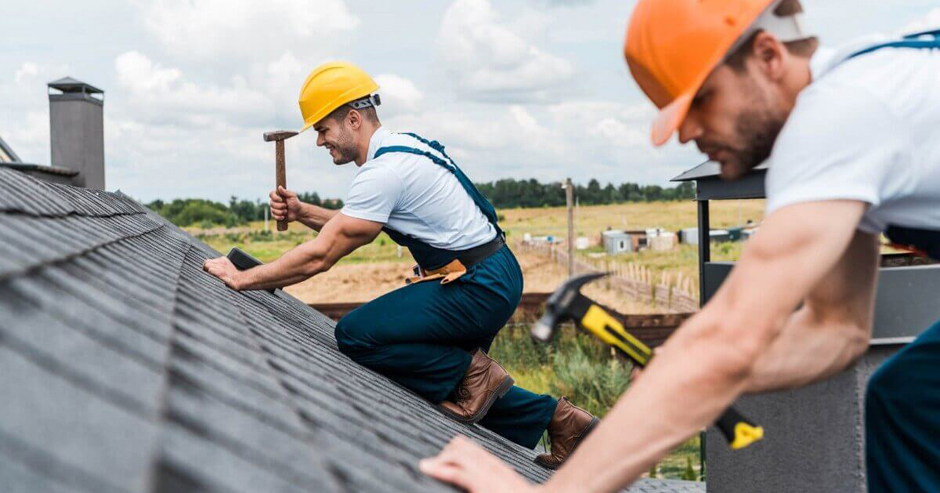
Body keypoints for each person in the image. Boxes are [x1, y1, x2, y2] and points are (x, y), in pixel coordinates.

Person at [419, 0, 940, 491]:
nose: (688, 131)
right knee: (908, 400)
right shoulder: (858, 111)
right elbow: (836, 332)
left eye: (704, 99)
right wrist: (683, 372)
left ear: (767, 56)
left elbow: (728, 341)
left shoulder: (840, 115)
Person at [203, 61, 598, 468]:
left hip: (478, 286)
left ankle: (476, 374)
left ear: (353, 119)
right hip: (492, 274)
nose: (320, 141)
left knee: (358, 334)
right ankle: (566, 423)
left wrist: (243, 277)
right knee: (457, 387)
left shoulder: (385, 172)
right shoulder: (405, 148)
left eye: (322, 129)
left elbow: (324, 254)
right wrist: (302, 210)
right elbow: (353, 223)